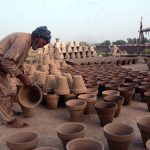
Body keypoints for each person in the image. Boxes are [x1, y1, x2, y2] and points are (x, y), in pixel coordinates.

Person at [0, 26, 51, 128]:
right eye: (43, 43)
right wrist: (22, 77)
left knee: (8, 91)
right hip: (1, 64)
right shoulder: (23, 41)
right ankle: (10, 121)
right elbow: (6, 62)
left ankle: (7, 111)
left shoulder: (27, 42)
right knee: (4, 92)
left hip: (2, 66)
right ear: (38, 36)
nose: (42, 46)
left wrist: (24, 74)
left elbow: (18, 60)